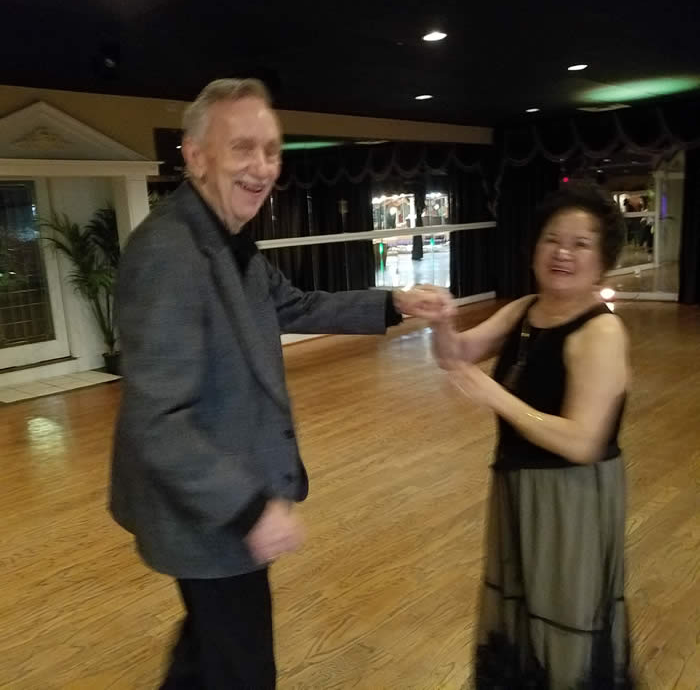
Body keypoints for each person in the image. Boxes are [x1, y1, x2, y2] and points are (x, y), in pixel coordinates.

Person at [109, 77, 453, 689]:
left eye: (271, 150)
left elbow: (293, 304)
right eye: (243, 147)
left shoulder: (225, 238)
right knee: (241, 669)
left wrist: (394, 302)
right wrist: (249, 509)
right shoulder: (169, 253)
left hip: (221, 502)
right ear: (196, 156)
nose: (263, 167)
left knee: (209, 652)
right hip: (208, 509)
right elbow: (155, 420)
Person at [432, 184, 635, 688]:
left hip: (571, 496)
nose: (562, 253)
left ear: (602, 261)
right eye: (552, 239)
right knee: (524, 609)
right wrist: (441, 321)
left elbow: (582, 442)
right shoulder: (527, 308)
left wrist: (495, 396)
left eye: (580, 244)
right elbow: (457, 354)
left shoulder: (601, 333)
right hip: (519, 482)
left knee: (563, 617)